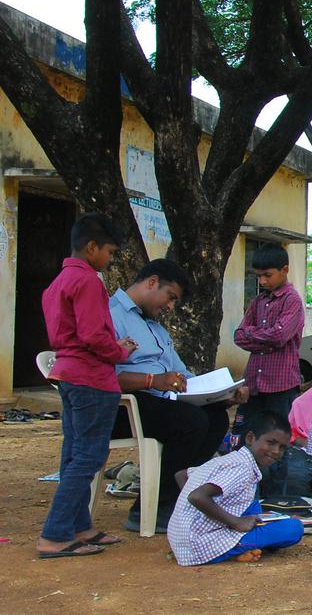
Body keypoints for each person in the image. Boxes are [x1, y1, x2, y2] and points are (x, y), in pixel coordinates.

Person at [109, 258, 249, 533]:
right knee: (190, 421)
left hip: (161, 404)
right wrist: (153, 380)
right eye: (170, 297)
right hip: (124, 406)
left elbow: (182, 375)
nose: (170, 306)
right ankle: (154, 507)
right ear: (152, 282)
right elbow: (103, 375)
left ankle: (179, 497)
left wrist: (220, 394)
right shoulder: (110, 315)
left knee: (216, 418)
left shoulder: (156, 328)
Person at [36, 214, 137, 559]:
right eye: (109, 252)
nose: (110, 260)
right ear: (92, 247)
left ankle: (79, 526)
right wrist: (119, 350)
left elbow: (73, 333)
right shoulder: (89, 282)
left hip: (69, 375)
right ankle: (55, 534)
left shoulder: (57, 283)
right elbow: (93, 335)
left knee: (74, 455)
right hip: (91, 377)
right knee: (89, 458)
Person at [167, 411, 304, 565]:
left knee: (252, 504)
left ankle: (243, 541)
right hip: (197, 546)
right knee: (293, 529)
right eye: (271, 442)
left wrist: (192, 514)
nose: (276, 451)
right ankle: (235, 548)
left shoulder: (231, 458)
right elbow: (196, 497)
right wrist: (235, 522)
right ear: (250, 438)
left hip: (180, 537)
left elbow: (181, 475)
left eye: (282, 447)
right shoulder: (242, 468)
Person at [232, 243, 304, 446]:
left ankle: (274, 479)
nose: (262, 281)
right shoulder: (258, 301)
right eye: (259, 276)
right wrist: (266, 339)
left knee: (277, 442)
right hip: (254, 384)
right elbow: (238, 336)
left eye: (268, 275)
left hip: (281, 386)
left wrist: (253, 334)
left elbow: (279, 336)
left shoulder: (292, 300)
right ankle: (247, 478)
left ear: (285, 270)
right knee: (248, 437)